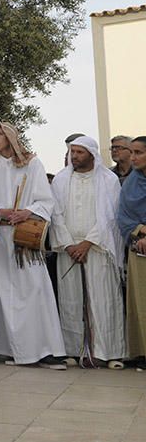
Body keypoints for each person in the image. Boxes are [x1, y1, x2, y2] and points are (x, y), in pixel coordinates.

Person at [0, 122, 66, 369]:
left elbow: (46, 200)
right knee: (3, 292)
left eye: (0, 133)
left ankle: (46, 349)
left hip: (24, 237)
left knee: (36, 290)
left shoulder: (31, 163)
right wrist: (0, 212)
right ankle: (10, 348)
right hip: (0, 239)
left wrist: (27, 212)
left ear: (11, 137)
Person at [49, 136, 126, 369]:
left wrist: (87, 243)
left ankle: (109, 352)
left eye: (80, 152)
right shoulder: (61, 179)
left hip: (98, 249)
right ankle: (74, 350)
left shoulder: (108, 179)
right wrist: (69, 244)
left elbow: (110, 216)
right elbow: (56, 215)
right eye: (72, 152)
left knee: (103, 300)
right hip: (68, 249)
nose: (74, 157)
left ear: (92, 154)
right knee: (71, 300)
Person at [116, 136, 146, 368]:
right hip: (139, 249)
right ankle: (143, 352)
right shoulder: (131, 183)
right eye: (132, 152)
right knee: (141, 300)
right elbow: (123, 216)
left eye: (139, 153)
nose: (133, 158)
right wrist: (140, 231)